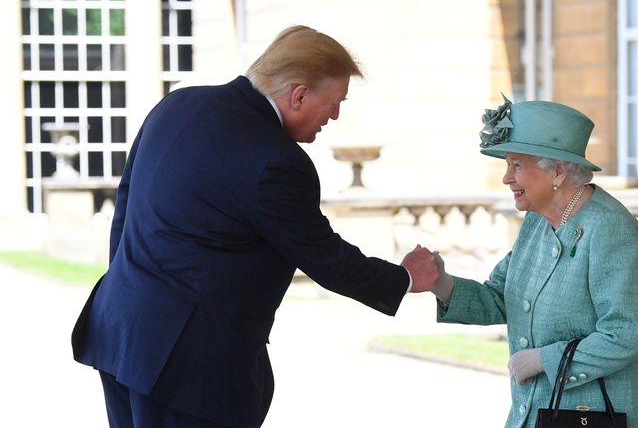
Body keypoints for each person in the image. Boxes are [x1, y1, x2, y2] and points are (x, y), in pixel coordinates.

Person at [71, 25, 438, 428]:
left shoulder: (176, 104)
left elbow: (125, 208)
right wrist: (405, 278)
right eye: (335, 103)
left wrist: (133, 294)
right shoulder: (278, 161)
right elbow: (325, 258)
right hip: (188, 371)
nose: (335, 116)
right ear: (298, 95)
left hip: (119, 331)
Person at [426, 96, 638, 427]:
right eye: (507, 165)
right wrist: (442, 284)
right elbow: (501, 295)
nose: (506, 178)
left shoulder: (610, 229)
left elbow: (623, 334)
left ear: (557, 171)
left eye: (517, 165)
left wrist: (544, 359)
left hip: (597, 416)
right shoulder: (538, 222)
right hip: (537, 411)